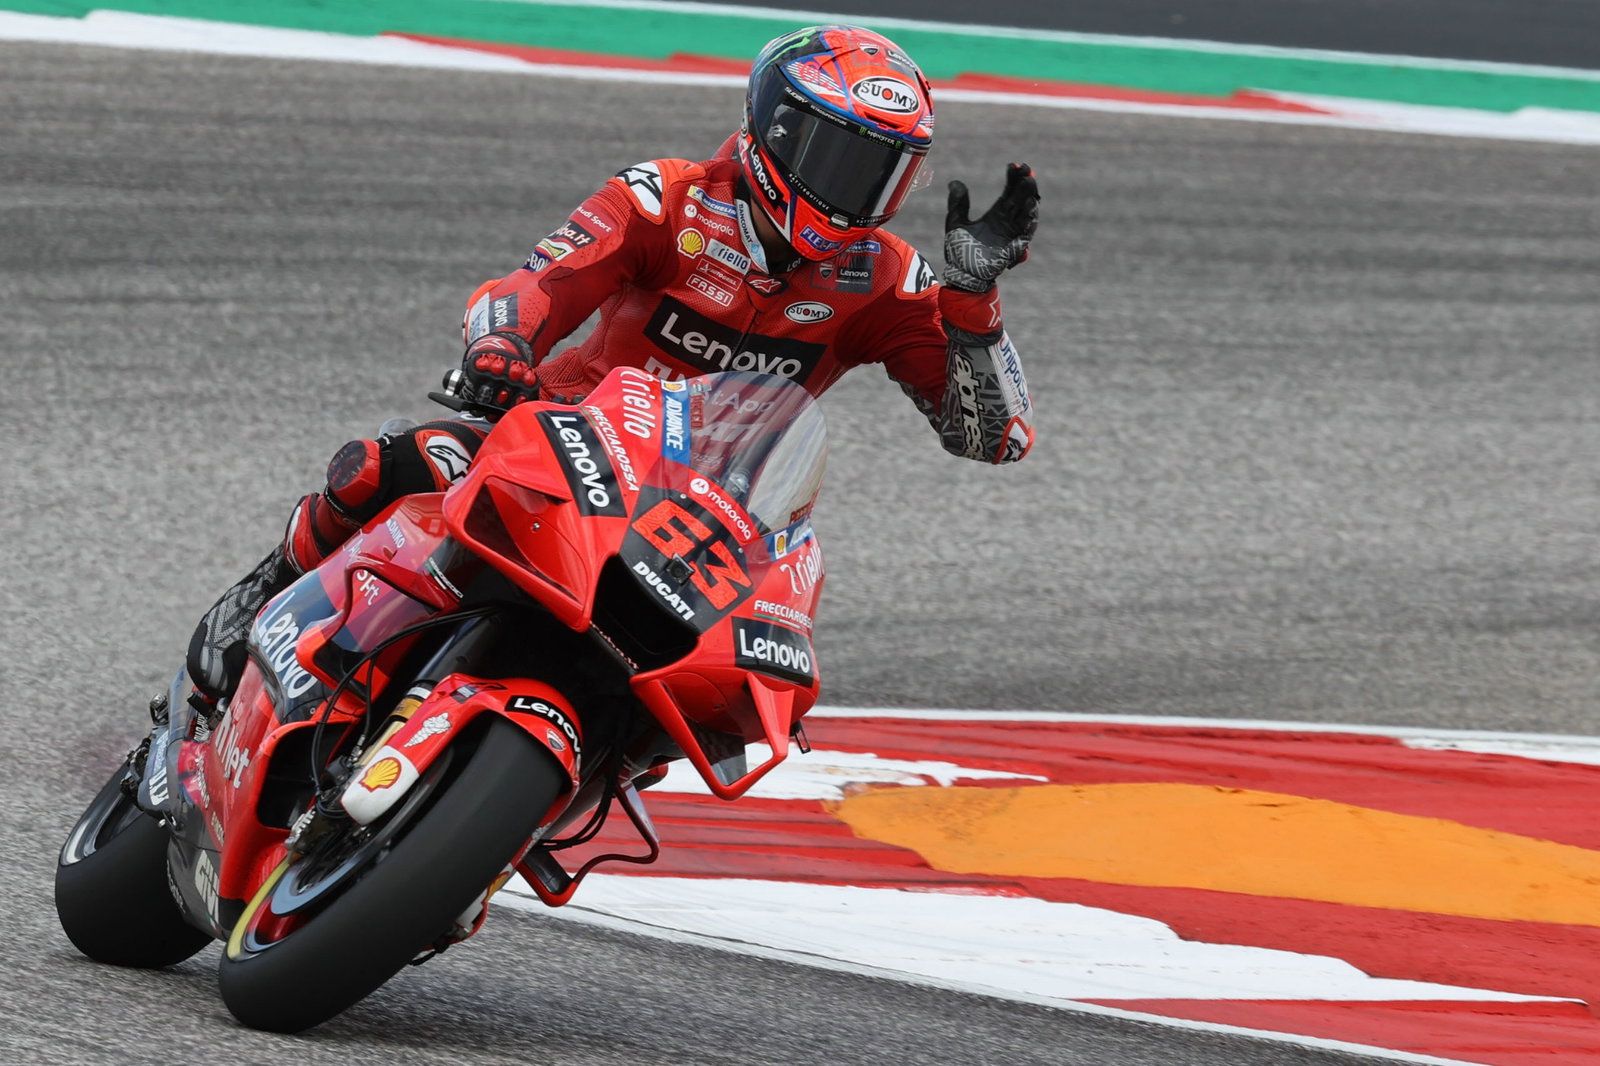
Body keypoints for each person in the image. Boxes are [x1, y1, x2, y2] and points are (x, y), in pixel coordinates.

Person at [185, 23, 1040, 705]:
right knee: (396, 463)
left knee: (740, 678)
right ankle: (267, 591)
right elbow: (536, 282)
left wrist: (972, 305)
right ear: (776, 129)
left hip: (703, 522)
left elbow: (993, 436)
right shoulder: (666, 198)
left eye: (885, 176)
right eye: (844, 160)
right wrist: (500, 346)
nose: (859, 195)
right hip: (552, 445)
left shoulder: (885, 279)